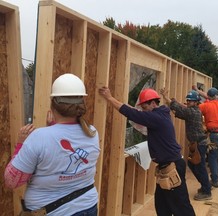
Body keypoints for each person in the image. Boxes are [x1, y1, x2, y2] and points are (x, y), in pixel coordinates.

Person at [4, 73, 100, 216]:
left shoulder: (39, 137)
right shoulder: (92, 132)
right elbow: (64, 141)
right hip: (88, 207)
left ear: (53, 103)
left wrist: (20, 144)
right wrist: (54, 127)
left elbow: (12, 181)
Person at [99, 87, 196, 216]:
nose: (143, 110)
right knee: (162, 206)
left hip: (173, 168)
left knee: (181, 207)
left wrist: (110, 98)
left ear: (153, 103)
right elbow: (136, 112)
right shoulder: (161, 113)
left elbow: (132, 113)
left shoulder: (156, 118)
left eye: (144, 107)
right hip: (166, 168)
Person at [160, 88, 212, 201]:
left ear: (196, 102)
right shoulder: (193, 110)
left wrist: (166, 98)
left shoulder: (192, 112)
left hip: (199, 145)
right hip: (196, 144)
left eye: (190, 101)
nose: (188, 102)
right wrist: (173, 102)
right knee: (193, 165)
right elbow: (181, 108)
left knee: (199, 166)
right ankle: (206, 185)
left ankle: (207, 191)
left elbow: (178, 108)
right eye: (187, 100)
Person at [192, 85, 218, 173]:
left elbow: (194, 109)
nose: (207, 97)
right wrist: (196, 89)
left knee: (215, 151)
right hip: (217, 131)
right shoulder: (211, 101)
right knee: (215, 150)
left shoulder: (210, 104)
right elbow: (205, 95)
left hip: (215, 131)